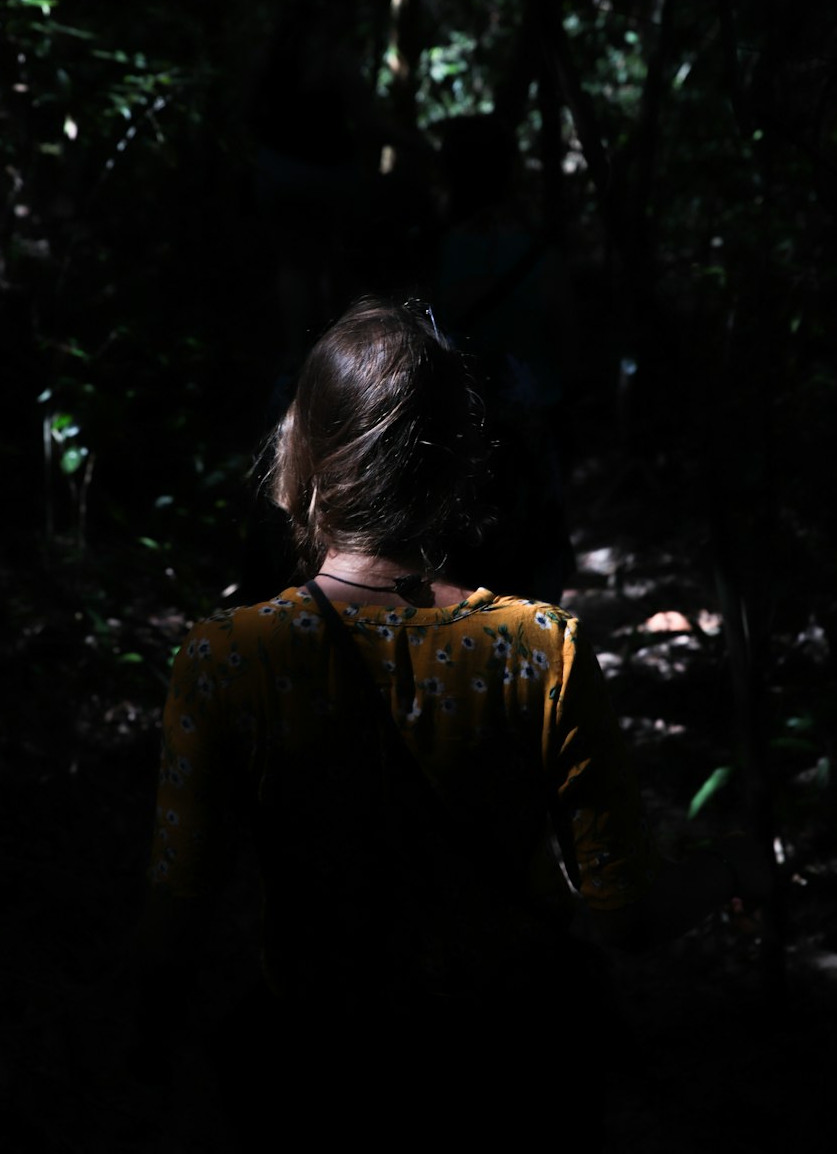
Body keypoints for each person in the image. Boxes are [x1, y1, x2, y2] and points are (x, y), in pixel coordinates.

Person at [137, 298, 770, 1150]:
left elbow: (178, 921)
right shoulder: (537, 650)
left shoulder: (225, 662)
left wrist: (148, 1070)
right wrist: (738, 864)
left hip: (321, 1083)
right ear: (460, 462)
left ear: (304, 456)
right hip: (509, 1080)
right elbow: (627, 915)